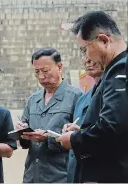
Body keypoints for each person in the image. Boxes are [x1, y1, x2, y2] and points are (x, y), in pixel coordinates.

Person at [57, 11, 128, 183]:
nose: (86, 57)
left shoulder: (120, 70)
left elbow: (112, 127)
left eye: (84, 49)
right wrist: (83, 131)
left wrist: (74, 139)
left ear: (104, 40)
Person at [15, 47, 82, 183]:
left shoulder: (76, 97)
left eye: (45, 71)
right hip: (32, 176)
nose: (41, 76)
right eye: (37, 72)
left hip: (61, 176)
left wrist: (48, 137)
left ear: (59, 67)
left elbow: (81, 138)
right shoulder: (33, 99)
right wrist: (21, 132)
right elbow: (25, 143)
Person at [62, 57, 103, 183]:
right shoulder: (82, 99)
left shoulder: (115, 94)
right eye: (84, 53)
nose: (88, 60)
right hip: (77, 170)